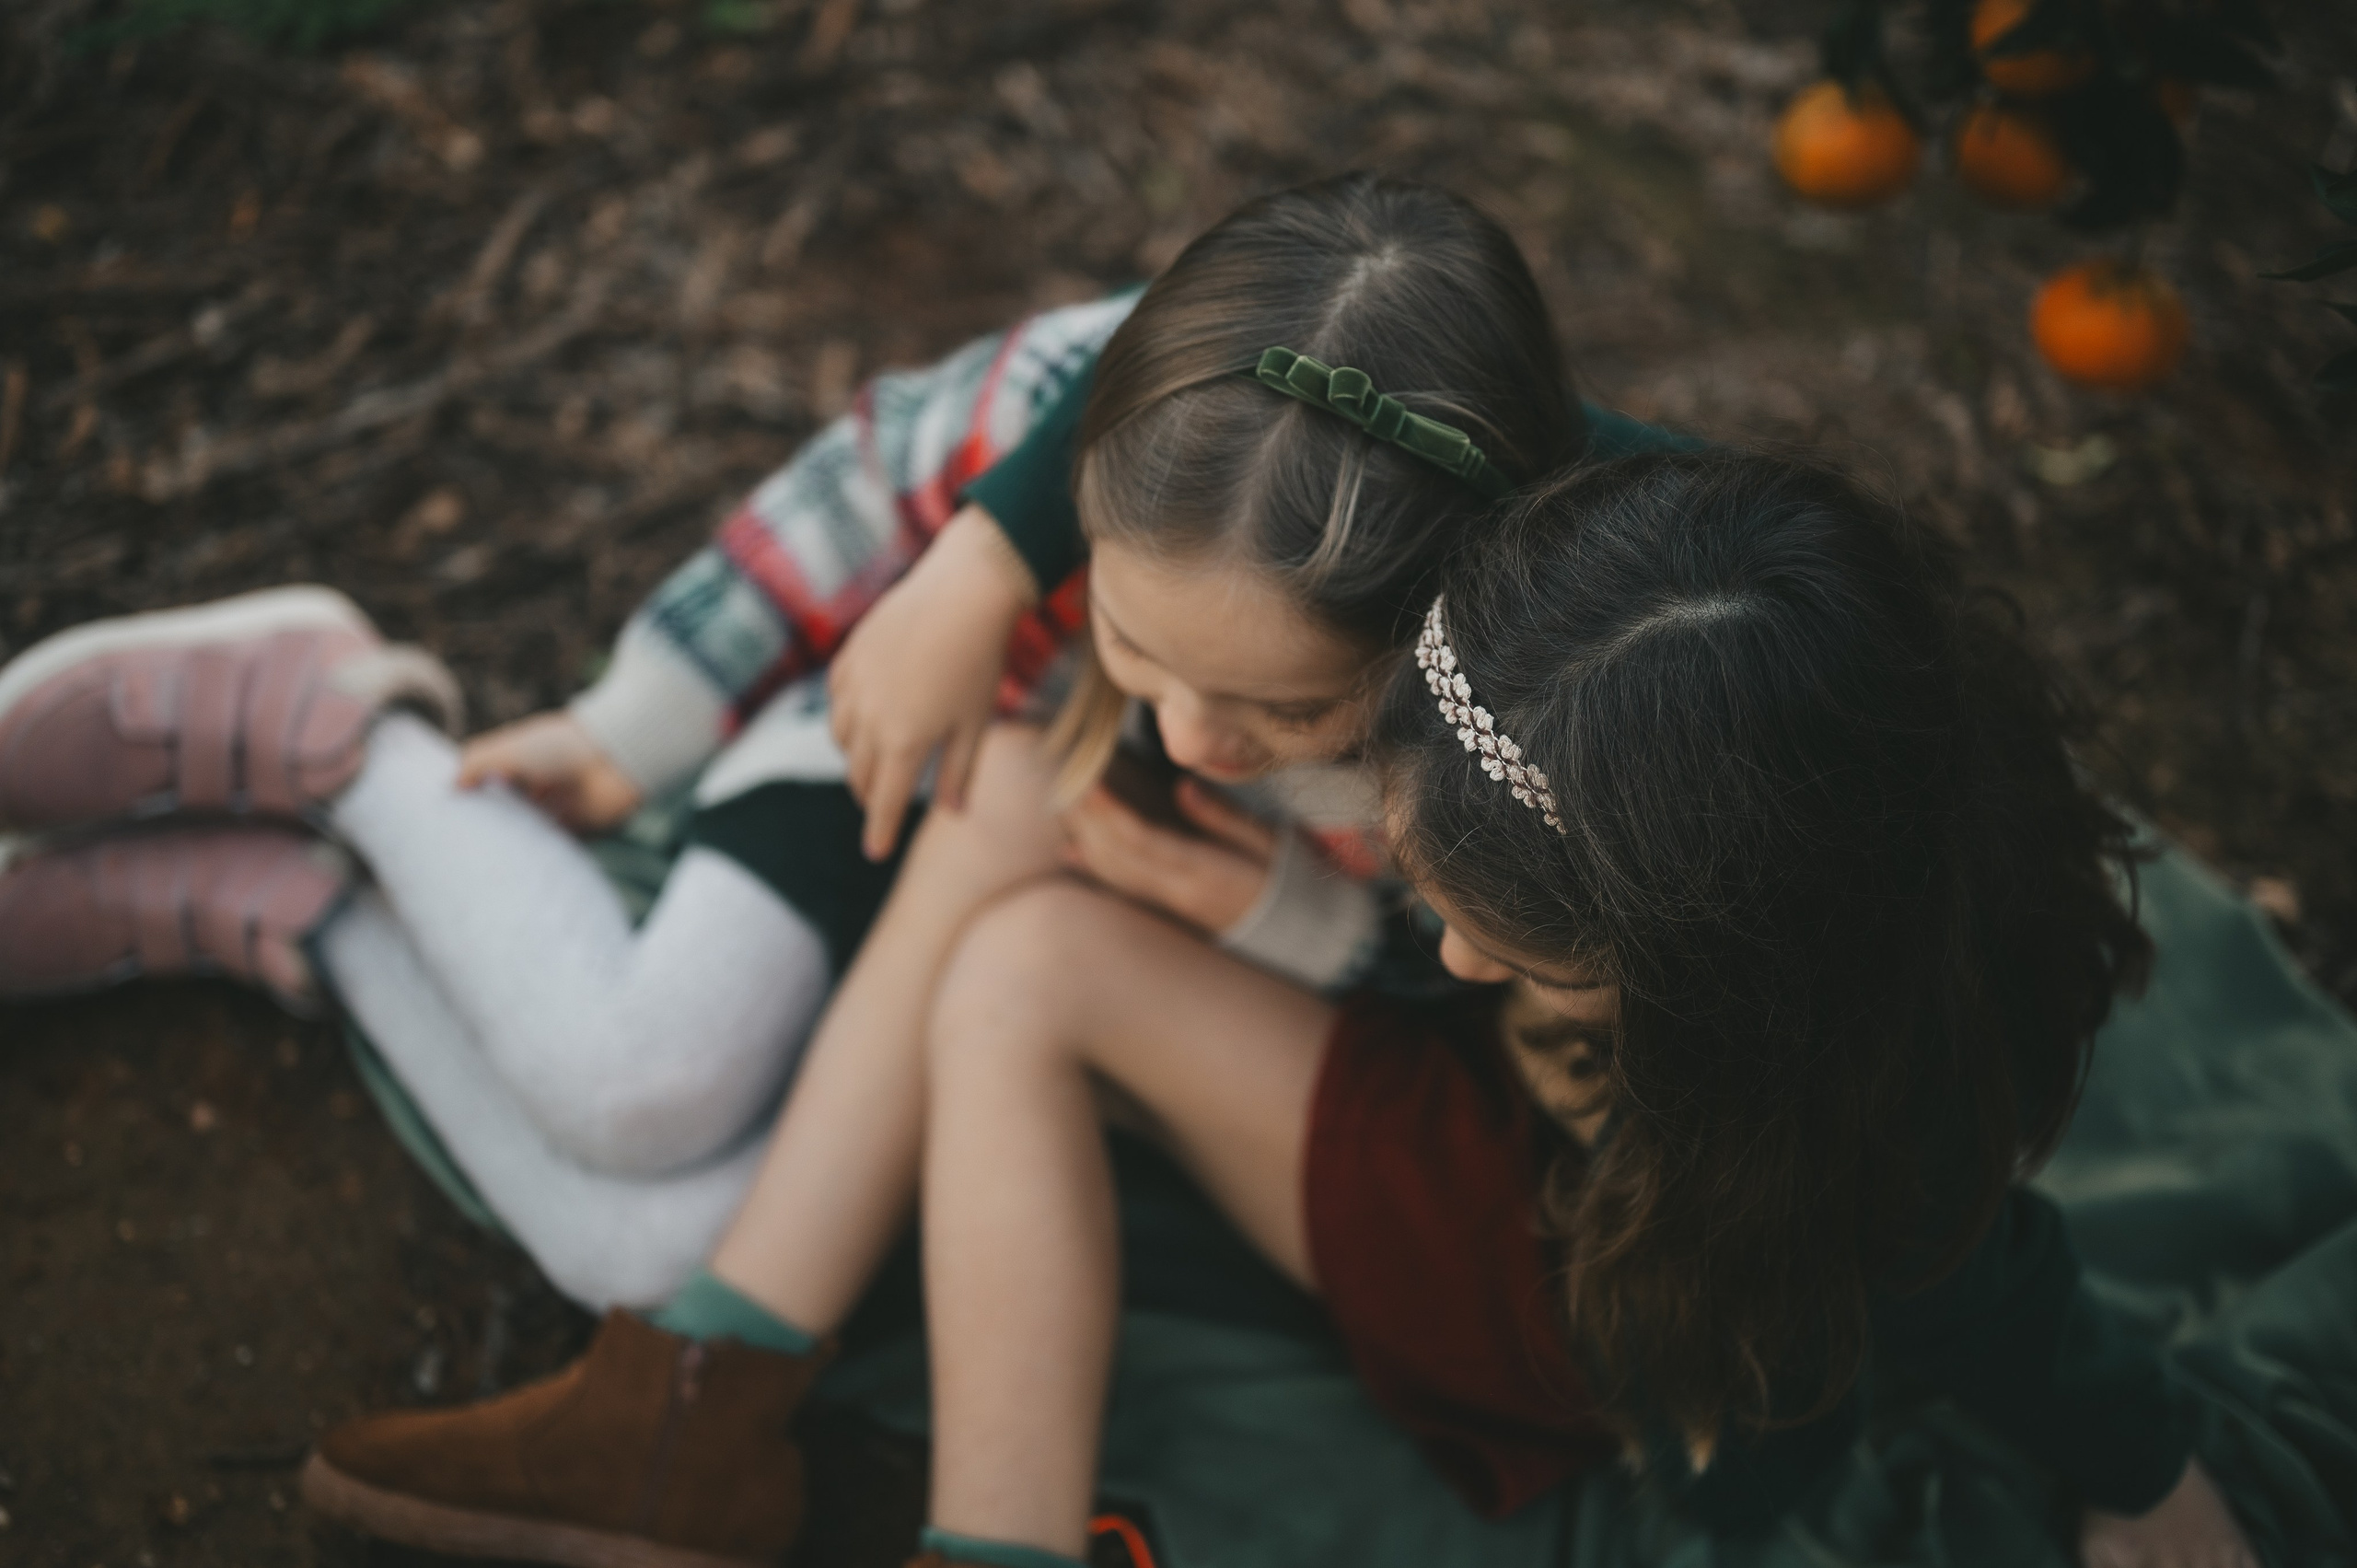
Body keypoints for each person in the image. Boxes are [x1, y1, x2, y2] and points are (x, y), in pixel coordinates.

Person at [311, 449, 2261, 1568]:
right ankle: (702, 1397)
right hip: (1505, 1126)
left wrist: (2141, 1465)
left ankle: (860, 1483)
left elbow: (1994, 1287)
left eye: (1515, 947)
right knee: (1026, 806)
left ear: (1712, 965)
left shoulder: (1857, 1131)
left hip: (1556, 1277)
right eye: (1439, 895)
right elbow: (1281, 340)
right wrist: (992, 560)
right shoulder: (1637, 599)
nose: (1462, 953)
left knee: (1019, 970)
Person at [0, 175, 1631, 1308]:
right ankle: (345, 741)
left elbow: (1471, 954)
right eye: (1140, 648)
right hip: (900, 769)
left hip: (1073, 947)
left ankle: (306, 907)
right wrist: (635, 728)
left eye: (1288, 713)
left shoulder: (1502, 697)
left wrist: (1286, 921)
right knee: (634, 1084)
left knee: (647, 1260)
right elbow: (850, 500)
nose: (1198, 736)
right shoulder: (1107, 414)